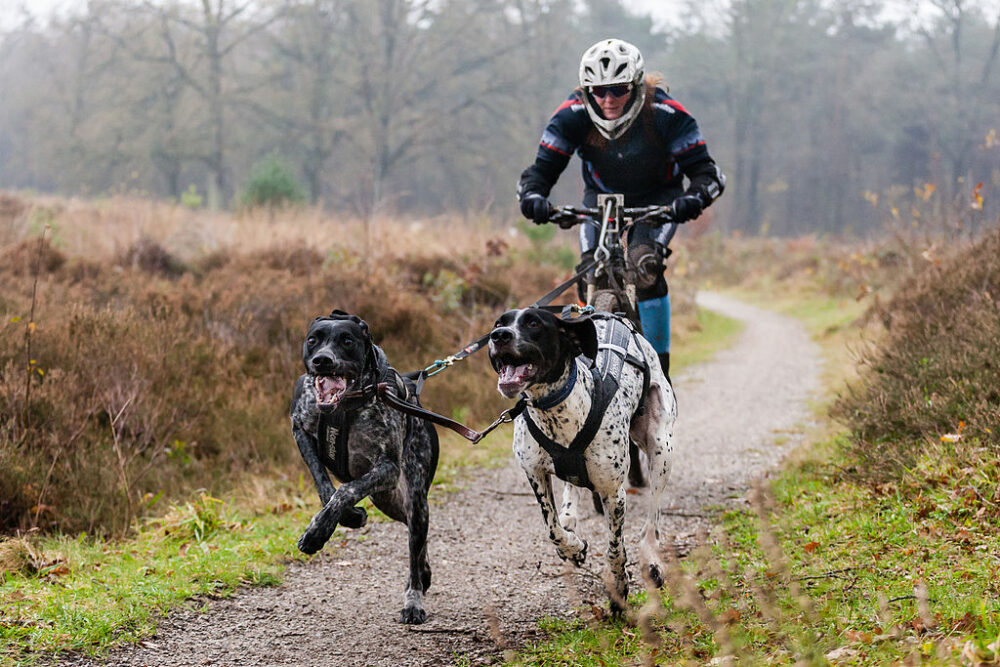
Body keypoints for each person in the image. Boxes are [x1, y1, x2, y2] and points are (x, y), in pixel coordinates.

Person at [517, 38, 725, 379]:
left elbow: (708, 174)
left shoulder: (666, 114)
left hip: (659, 198)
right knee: (589, 272)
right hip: (599, 198)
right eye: (598, 91)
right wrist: (533, 198)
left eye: (618, 89)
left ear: (638, 84)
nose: (608, 100)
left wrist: (693, 199)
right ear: (586, 90)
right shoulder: (572, 115)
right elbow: (539, 172)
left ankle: (661, 373)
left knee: (644, 266)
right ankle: (589, 370)